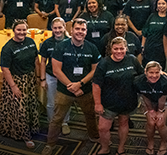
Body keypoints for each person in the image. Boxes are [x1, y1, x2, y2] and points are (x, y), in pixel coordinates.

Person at [42, 18, 101, 155]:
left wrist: (79, 84)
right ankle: (50, 144)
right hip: (65, 90)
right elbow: (56, 70)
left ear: (86, 32)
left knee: (90, 115)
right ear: (71, 30)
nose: (80, 32)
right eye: (77, 29)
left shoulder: (92, 47)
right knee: (57, 119)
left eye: (83, 29)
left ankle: (94, 136)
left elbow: (95, 70)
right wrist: (71, 86)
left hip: (85, 90)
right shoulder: (61, 46)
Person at [93, 36, 144, 155]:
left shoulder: (132, 60)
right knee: (103, 128)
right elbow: (96, 85)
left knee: (124, 123)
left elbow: (142, 76)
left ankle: (121, 148)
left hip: (127, 100)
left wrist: (159, 72)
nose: (119, 51)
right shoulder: (104, 63)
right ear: (111, 49)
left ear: (126, 48)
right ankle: (105, 148)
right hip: (108, 102)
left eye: (122, 48)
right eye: (116, 49)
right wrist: (97, 103)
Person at [0, 20, 42, 148]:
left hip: (30, 78)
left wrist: (38, 77)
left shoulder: (31, 42)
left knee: (31, 105)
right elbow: (5, 69)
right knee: (20, 109)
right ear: (13, 30)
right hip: (16, 81)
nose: (21, 32)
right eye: (19, 30)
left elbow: (36, 60)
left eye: (24, 30)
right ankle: (25, 136)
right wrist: (14, 87)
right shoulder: (7, 48)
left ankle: (33, 129)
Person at [38, 17, 72, 135]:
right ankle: (53, 122)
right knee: (51, 102)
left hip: (66, 77)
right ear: (51, 28)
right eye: (55, 28)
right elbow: (43, 62)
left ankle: (64, 122)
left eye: (60, 27)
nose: (57, 30)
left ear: (64, 28)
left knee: (65, 101)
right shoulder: (47, 43)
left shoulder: (71, 41)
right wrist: (42, 79)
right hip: (51, 76)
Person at [135, 61, 167, 155]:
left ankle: (164, 143)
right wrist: (151, 110)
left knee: (160, 122)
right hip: (148, 98)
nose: (154, 75)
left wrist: (160, 111)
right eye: (151, 72)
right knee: (151, 122)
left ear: (160, 72)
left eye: (157, 72)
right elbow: (144, 96)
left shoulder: (165, 83)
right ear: (145, 72)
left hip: (165, 99)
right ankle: (150, 142)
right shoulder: (138, 81)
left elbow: (162, 99)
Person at [141, 0, 167, 69]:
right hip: (150, 48)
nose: (161, 5)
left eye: (163, 3)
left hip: (162, 50)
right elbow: (145, 32)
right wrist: (142, 46)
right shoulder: (152, 16)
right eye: (159, 3)